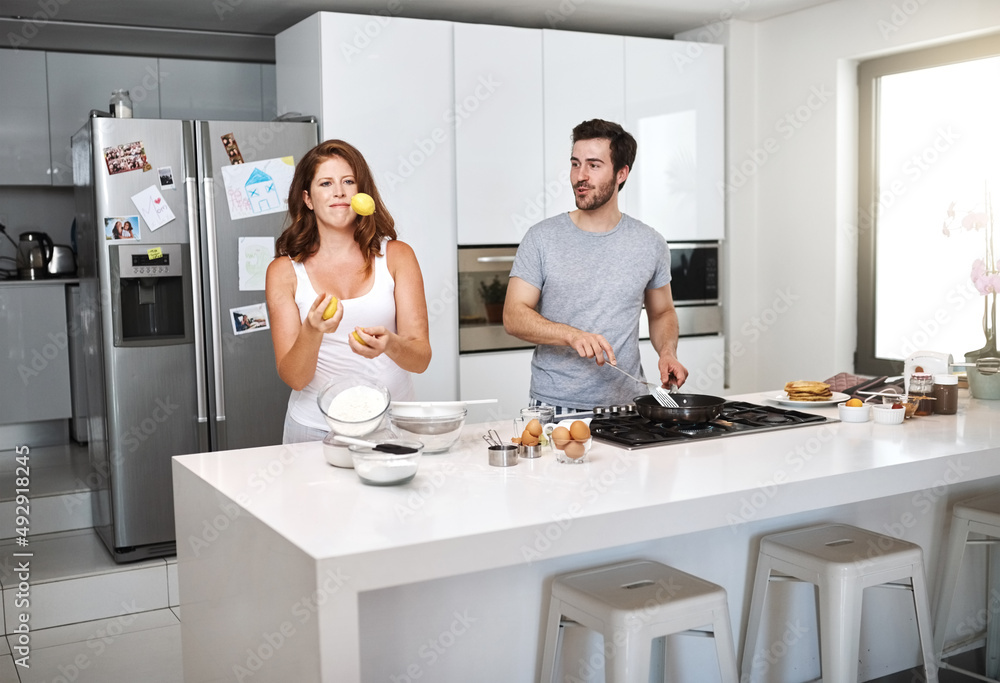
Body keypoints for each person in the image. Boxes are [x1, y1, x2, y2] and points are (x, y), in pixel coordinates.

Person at [503, 119, 688, 413]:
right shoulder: (542, 238)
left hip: (628, 405)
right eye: (576, 164)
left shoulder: (649, 242)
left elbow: (662, 311)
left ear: (621, 173)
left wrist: (667, 352)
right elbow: (513, 316)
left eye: (594, 165)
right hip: (554, 406)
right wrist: (572, 335)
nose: (580, 176)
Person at [265, 139, 431, 443]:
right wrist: (312, 330)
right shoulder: (284, 272)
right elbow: (295, 377)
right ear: (308, 199)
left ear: (360, 192)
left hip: (392, 426)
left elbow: (420, 360)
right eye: (326, 183)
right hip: (314, 428)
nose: (339, 191)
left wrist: (390, 344)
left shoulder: (397, 256)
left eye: (348, 181)